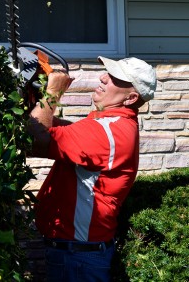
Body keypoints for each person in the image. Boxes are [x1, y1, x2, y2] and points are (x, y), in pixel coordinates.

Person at [27, 56, 157, 282]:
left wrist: (53, 93)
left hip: (77, 259)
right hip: (76, 254)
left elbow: (34, 139)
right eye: (108, 72)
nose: (103, 77)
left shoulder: (108, 132)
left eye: (115, 78)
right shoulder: (112, 125)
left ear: (131, 98)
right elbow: (50, 126)